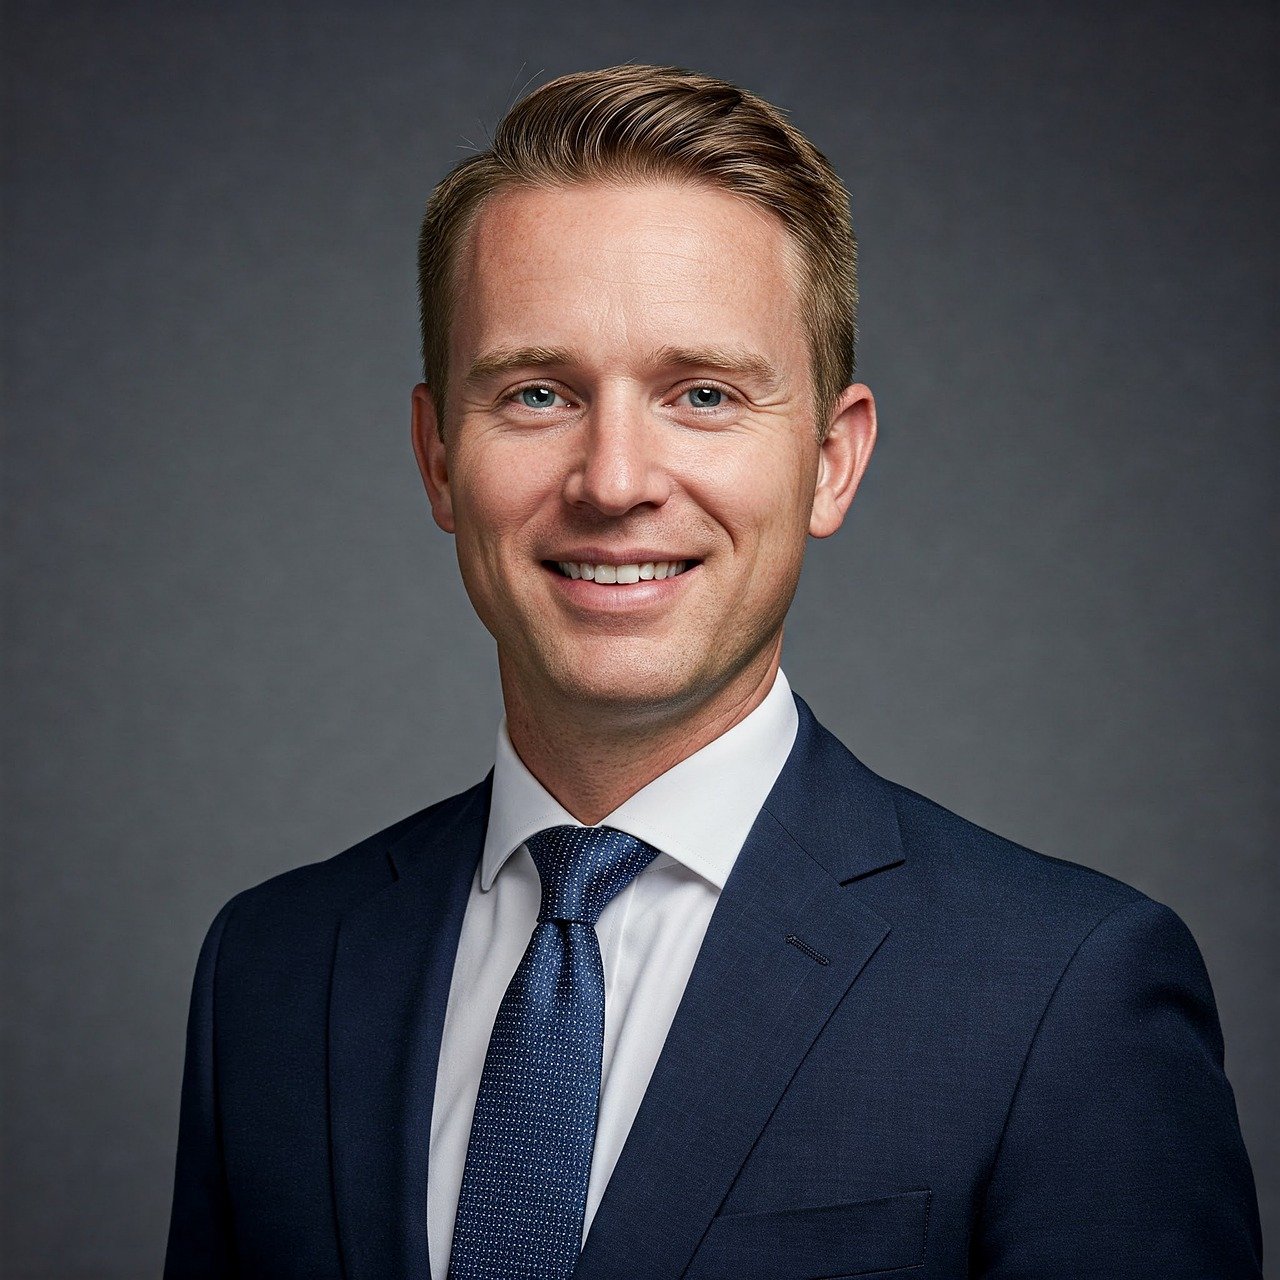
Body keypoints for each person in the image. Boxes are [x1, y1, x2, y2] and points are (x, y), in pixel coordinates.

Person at [163, 65, 1262, 1279]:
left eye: (700, 393)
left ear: (830, 461)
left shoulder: (1062, 990)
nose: (613, 479)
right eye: (536, 392)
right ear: (436, 457)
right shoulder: (272, 968)